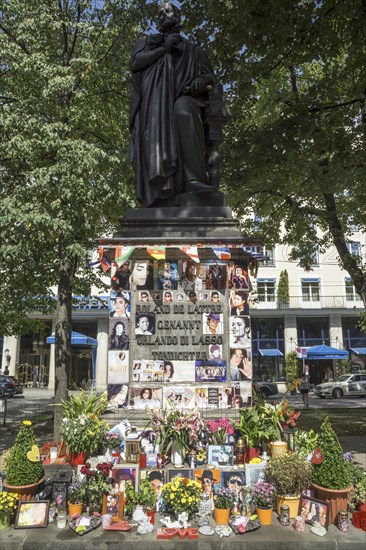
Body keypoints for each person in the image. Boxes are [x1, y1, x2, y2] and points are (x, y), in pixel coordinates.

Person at [130, 2, 217, 207]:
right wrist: (164, 49)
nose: (163, 15)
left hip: (185, 98)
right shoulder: (147, 42)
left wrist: (201, 82)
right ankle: (160, 186)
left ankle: (194, 180)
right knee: (155, 119)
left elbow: (211, 77)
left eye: (167, 11)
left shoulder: (195, 51)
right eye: (159, 13)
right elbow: (135, 64)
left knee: (183, 111)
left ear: (177, 15)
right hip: (154, 104)